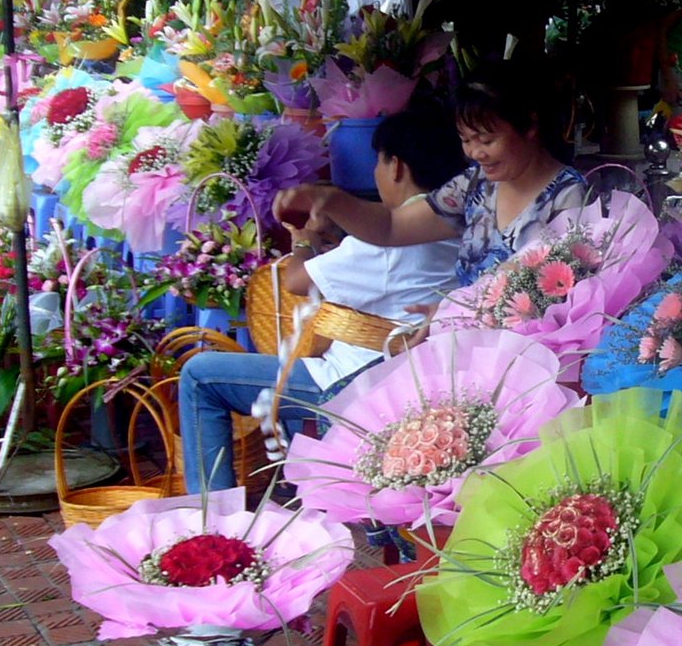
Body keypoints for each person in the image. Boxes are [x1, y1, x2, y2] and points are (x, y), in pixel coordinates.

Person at [179, 108, 468, 494]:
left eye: (379, 163)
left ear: (395, 166)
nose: (377, 174)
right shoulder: (457, 221)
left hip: (355, 382)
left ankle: (211, 514)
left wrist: (304, 240)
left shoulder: (387, 241)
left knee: (200, 375)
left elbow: (297, 281)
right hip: (409, 373)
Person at [274, 61, 587, 290]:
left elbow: (552, 295)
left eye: (487, 140)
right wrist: (331, 201)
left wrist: (457, 312)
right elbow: (391, 227)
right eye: (466, 140)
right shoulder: (475, 185)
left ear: (530, 126)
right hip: (461, 340)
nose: (475, 153)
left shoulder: (568, 197)